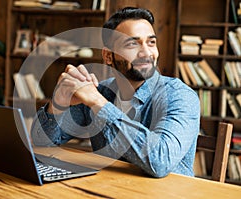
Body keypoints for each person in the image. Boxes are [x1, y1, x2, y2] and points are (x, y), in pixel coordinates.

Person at [31, 7, 200, 178]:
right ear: (108, 56)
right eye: (132, 44)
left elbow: (160, 162)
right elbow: (41, 143)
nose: (146, 52)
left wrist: (98, 103)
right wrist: (57, 104)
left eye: (151, 42)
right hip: (108, 189)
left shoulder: (180, 96)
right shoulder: (101, 91)